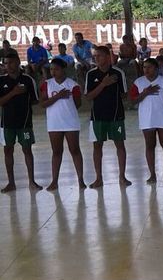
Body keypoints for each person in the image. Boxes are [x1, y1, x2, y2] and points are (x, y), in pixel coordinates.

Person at [84, 45, 131, 188]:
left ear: (107, 57)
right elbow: (88, 97)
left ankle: (122, 177)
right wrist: (103, 85)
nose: (96, 58)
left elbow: (124, 94)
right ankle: (98, 178)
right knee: (97, 146)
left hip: (116, 116)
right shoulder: (91, 75)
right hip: (98, 116)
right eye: (95, 56)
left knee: (120, 145)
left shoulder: (118, 73)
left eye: (99, 56)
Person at [40, 56, 85, 190]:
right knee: (56, 152)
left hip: (71, 122)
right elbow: (43, 104)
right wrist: (57, 97)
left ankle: (80, 180)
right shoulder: (47, 84)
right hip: (54, 123)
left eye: (56, 69)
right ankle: (54, 181)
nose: (53, 72)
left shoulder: (73, 85)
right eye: (52, 69)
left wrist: (67, 109)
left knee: (75, 150)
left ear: (63, 69)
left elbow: (78, 103)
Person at [129, 57, 163, 183]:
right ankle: (152, 174)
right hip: (147, 119)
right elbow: (133, 101)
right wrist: (145, 93)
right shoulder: (138, 82)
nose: (146, 70)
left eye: (149, 67)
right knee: (150, 146)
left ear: (156, 68)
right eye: (144, 67)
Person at [0, 50, 41, 192]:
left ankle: (32, 181)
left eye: (10, 62)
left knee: (27, 150)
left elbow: (35, 100)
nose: (8, 66)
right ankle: (11, 183)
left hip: (25, 123)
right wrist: (13, 93)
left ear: (18, 62)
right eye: (5, 64)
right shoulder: (2, 80)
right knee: (8, 151)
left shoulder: (28, 80)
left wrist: (23, 102)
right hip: (7, 124)